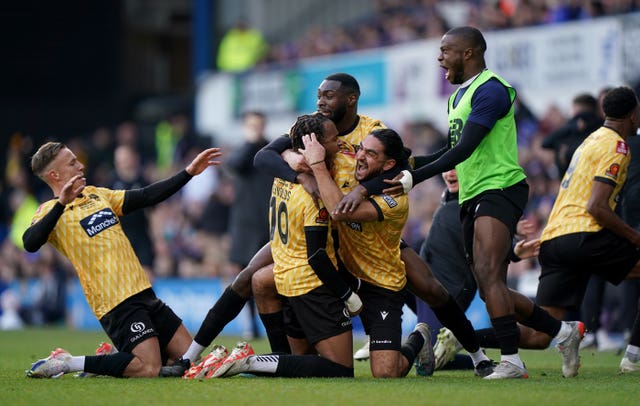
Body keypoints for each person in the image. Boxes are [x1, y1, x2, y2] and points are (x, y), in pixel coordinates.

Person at [255, 73, 495, 378]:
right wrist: (291, 157)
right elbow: (264, 156)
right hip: (335, 243)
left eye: (328, 96)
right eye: (320, 96)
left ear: (351, 99)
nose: (321, 103)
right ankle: (206, 352)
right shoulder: (314, 129)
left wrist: (360, 189)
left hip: (372, 241)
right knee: (255, 279)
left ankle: (469, 353)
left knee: (432, 291)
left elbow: (398, 171)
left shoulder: (375, 135)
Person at [384, 26, 583, 379]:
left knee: (490, 274)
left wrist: (416, 178)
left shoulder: (492, 90)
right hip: (473, 193)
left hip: (500, 188)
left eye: (446, 50)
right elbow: (451, 149)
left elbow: (466, 148)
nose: (439, 57)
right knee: (487, 279)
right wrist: (410, 163)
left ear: (469, 53)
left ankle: (511, 361)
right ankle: (563, 332)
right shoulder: (457, 97)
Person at [23, 141, 222, 378]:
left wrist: (188, 172)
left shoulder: (98, 195)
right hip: (115, 302)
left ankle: (111, 360)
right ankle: (69, 362)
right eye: (73, 162)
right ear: (55, 174)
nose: (81, 165)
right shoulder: (48, 211)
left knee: (190, 361)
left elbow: (147, 196)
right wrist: (61, 204)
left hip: (143, 291)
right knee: (149, 368)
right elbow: (30, 243)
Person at [195, 113, 364, 379]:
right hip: (311, 283)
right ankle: (251, 361)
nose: (339, 142)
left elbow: (265, 155)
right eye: (332, 140)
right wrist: (347, 295)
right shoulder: (314, 193)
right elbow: (318, 255)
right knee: (341, 369)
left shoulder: (282, 177)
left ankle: (252, 359)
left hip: (285, 273)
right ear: (313, 146)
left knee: (259, 279)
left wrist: (290, 157)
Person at [299, 128, 433, 377]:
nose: (360, 155)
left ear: (389, 163)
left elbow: (340, 212)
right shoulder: (351, 166)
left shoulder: (395, 196)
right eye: (361, 148)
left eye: (370, 153)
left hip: (381, 285)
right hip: (345, 275)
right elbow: (268, 155)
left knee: (386, 373)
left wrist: (317, 167)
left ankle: (418, 338)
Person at [527, 86, 640, 374]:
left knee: (539, 334)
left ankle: (462, 337)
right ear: (632, 115)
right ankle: (634, 356)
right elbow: (596, 207)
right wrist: (633, 235)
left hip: (554, 237)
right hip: (584, 234)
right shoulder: (618, 146)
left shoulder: (590, 140)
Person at [226, 111, 273, 339]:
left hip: (268, 224)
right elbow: (234, 165)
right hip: (244, 225)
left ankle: (273, 323)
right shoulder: (242, 151)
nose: (257, 129)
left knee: (268, 274)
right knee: (243, 275)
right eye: (252, 125)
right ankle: (249, 323)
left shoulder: (271, 150)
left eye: (259, 124)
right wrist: (250, 142)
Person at [110, 144, 155, 279]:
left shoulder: (143, 181)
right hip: (120, 237)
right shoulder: (111, 183)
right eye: (118, 159)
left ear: (133, 158)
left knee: (147, 276)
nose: (121, 162)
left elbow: (152, 212)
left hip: (142, 236)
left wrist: (158, 238)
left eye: (124, 158)